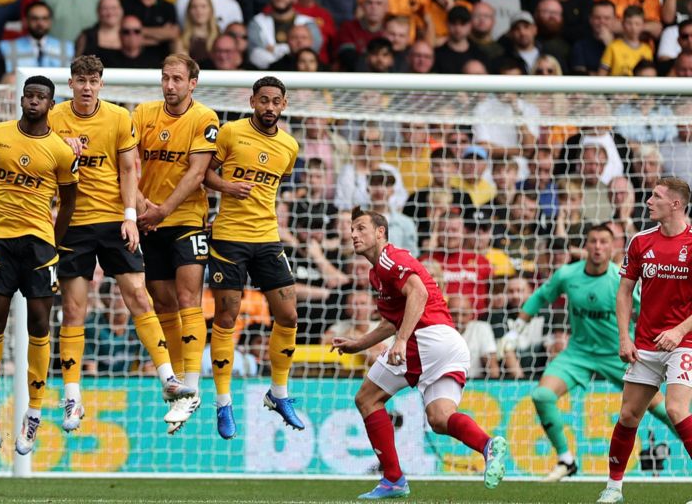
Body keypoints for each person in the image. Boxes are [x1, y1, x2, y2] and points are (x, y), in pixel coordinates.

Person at [49, 55, 194, 433]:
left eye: (93, 80)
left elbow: (129, 169)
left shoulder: (117, 118)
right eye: (80, 80)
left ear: (101, 84)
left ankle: (167, 379)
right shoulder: (53, 119)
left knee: (139, 297)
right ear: (70, 84)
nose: (86, 87)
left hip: (114, 221)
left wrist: (130, 216)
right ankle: (72, 398)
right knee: (73, 309)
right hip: (74, 225)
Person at [331, 208, 507, 499]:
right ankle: (487, 446)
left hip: (424, 338)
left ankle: (393, 479)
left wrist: (401, 341)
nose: (353, 234)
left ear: (380, 232)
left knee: (366, 398)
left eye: (361, 228)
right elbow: (391, 320)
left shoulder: (390, 258)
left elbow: (419, 295)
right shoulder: (378, 273)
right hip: (449, 343)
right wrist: (358, 344)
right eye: (351, 229)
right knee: (440, 418)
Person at [501, 225, 672, 482]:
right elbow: (540, 297)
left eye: (604, 242)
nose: (598, 247)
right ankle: (566, 460)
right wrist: (516, 329)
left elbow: (649, 308)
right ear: (586, 245)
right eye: (593, 241)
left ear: (613, 247)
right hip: (578, 353)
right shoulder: (567, 274)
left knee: (665, 410)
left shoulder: (620, 279)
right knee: (542, 395)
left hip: (618, 354)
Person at [0, 75, 78, 455]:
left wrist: (56, 243)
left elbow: (69, 201)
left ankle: (34, 413)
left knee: (39, 324)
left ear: (50, 103)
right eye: (28, 96)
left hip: (39, 247)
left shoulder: (61, 151)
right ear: (21, 100)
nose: (33, 102)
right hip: (0, 242)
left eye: (40, 97)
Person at [202, 76, 302, 439]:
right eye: (263, 100)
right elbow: (203, 173)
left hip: (267, 238)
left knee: (289, 314)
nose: (269, 107)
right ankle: (223, 401)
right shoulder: (230, 133)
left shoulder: (289, 146)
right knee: (226, 317)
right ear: (252, 101)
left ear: (284, 105)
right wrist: (228, 186)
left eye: (276, 101)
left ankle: (278, 393)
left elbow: (277, 184)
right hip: (228, 239)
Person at [135, 54, 219, 433]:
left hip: (185, 219)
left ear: (192, 83)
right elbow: (129, 165)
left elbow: (197, 172)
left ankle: (193, 386)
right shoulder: (142, 113)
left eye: (177, 79)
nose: (170, 85)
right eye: (165, 77)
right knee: (163, 301)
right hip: (149, 220)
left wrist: (163, 210)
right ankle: (177, 384)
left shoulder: (204, 118)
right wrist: (141, 207)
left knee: (189, 299)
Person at [597, 177, 692, 504]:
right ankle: (613, 489)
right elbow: (624, 292)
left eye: (656, 196)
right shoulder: (640, 241)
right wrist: (624, 337)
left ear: (676, 204)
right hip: (647, 344)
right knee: (627, 416)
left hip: (684, 342)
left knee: (676, 409)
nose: (649, 201)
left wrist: (679, 331)